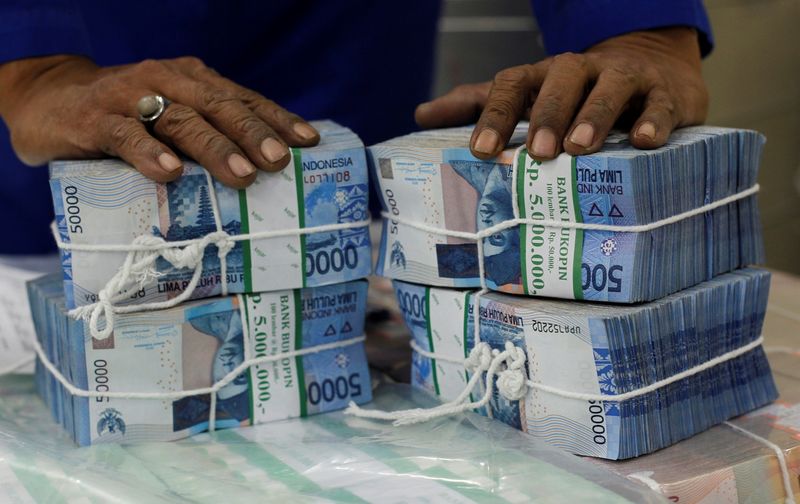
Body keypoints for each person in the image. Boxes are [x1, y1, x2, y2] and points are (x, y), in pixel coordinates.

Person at [0, 1, 712, 256]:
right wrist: (32, 66)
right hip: (65, 199)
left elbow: (638, 36)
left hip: (344, 125)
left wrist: (636, 29)